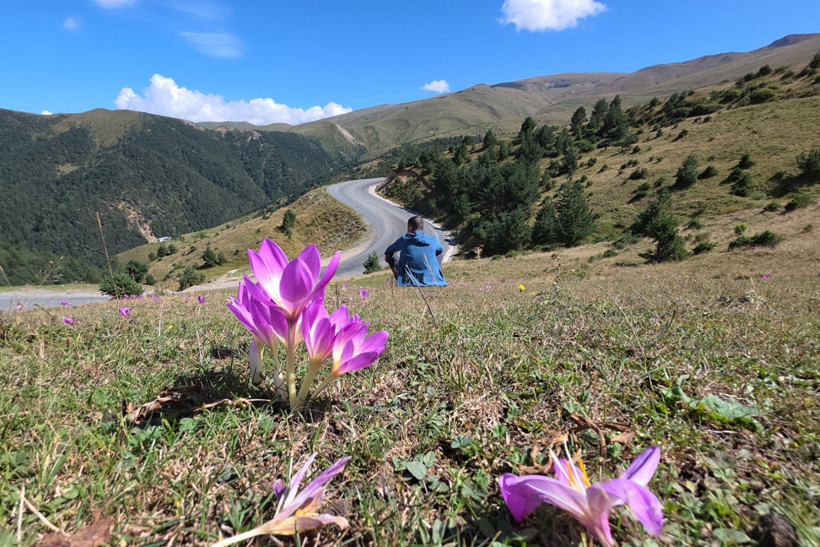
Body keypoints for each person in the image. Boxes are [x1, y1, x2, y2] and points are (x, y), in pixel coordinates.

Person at [385, 216, 447, 287]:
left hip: (408, 280)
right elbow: (440, 249)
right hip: (434, 281)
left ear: (410, 227)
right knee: (439, 254)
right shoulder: (433, 239)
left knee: (389, 254)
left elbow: (389, 250)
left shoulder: (404, 239)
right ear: (422, 227)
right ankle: (432, 276)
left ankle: (401, 279)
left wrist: (387, 255)